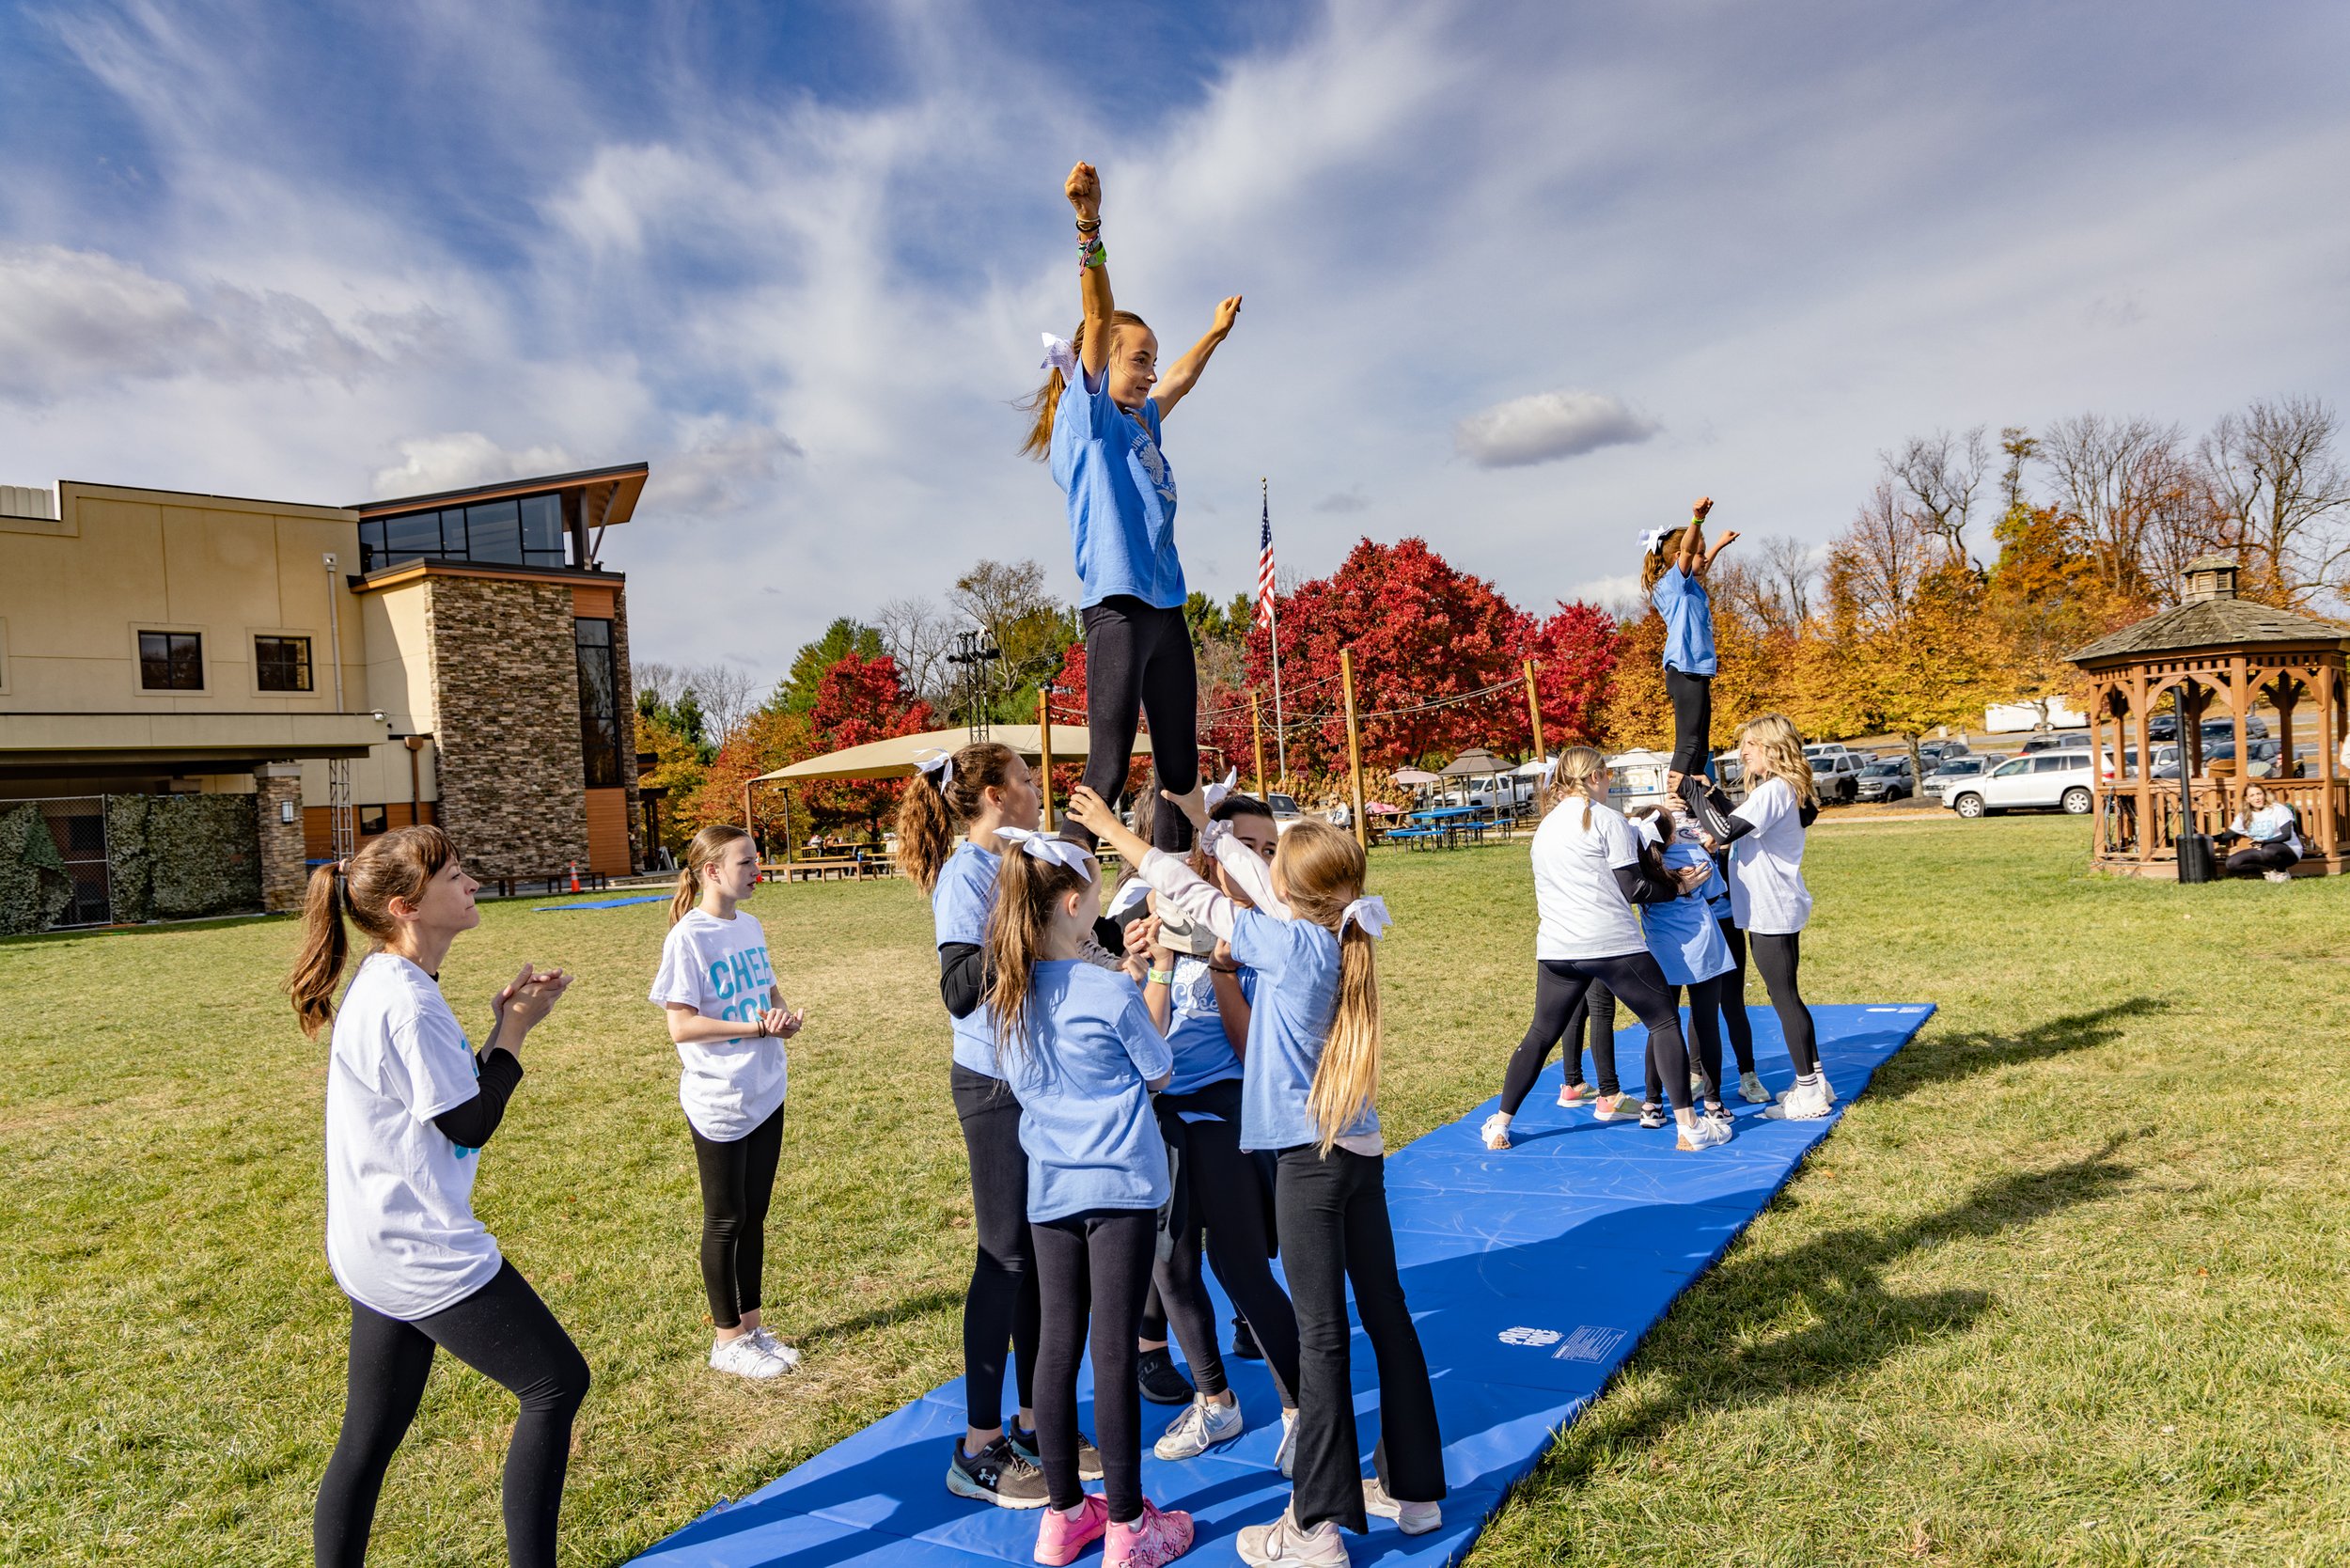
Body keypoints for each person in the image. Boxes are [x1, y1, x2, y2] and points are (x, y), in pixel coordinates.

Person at [1070, 785, 1445, 1568]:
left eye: (1275, 857)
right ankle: (1414, 1492)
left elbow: (1191, 893)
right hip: (1360, 1155)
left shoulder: (1288, 944)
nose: (1262, 862)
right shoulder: (1337, 932)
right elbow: (1245, 873)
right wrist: (1212, 826)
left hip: (1309, 1166)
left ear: (1288, 889)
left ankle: (1313, 1529)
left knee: (1321, 1338)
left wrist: (1113, 832)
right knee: (1387, 1313)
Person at [289, 826, 588, 1568]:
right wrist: (515, 1030)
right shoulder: (406, 1002)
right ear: (406, 906)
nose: (472, 883)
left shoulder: (391, 981)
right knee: (556, 1383)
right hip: (417, 1248)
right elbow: (470, 1120)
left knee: (370, 1432)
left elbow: (449, 1100)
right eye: (455, 876)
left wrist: (501, 1028)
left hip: (374, 1241)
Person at [983, 829, 1195, 1568]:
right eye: (1098, 897)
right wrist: (1148, 973)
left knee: (1055, 1346)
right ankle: (1129, 1527)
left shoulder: (1004, 997)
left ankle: (1064, 1514)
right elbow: (1161, 1070)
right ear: (1073, 904)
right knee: (1112, 1350)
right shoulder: (1106, 990)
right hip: (1120, 1186)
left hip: (1051, 1190)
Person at [1021, 159, 1240, 855]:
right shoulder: (1090, 422)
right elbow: (1095, 314)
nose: (1149, 371)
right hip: (1114, 607)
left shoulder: (1143, 421)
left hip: (1166, 608)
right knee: (1109, 769)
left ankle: (1169, 897)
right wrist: (1089, 224)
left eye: (1151, 360)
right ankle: (1052, 900)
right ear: (1100, 362)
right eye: (1137, 359)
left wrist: (1213, 335)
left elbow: (1179, 382)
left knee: (1181, 770)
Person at [893, 742, 1053, 1508]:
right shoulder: (968, 873)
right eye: (1025, 779)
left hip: (1035, 1080)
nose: (1035, 788)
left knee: (1035, 1258)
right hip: (992, 1085)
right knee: (1004, 1259)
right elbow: (959, 989)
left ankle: (1030, 1424)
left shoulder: (1018, 861)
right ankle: (978, 1447)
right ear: (994, 794)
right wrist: (1024, 927)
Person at [1130, 792, 1303, 1472]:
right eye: (1249, 847)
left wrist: (1226, 965)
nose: (1259, 861)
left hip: (1232, 1103)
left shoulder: (1272, 934)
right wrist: (1158, 961)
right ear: (1210, 850)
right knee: (1169, 1259)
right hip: (1163, 1107)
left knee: (1238, 1262)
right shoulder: (1166, 913)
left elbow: (1249, 1049)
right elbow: (1144, 1043)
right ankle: (1215, 1400)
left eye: (1269, 851)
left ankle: (1300, 1410)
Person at [1483, 748, 1730, 1155]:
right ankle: (1689, 1128)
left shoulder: (1544, 827)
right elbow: (1632, 888)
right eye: (1608, 776)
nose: (1611, 782)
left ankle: (1500, 1122)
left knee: (1541, 1034)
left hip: (1558, 949)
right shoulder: (1609, 820)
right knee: (1664, 1022)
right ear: (1594, 776)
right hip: (1611, 944)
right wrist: (1679, 888)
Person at [650, 823, 806, 1380]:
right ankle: (726, 1340)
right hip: (719, 1097)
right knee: (726, 1218)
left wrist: (782, 1018)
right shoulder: (688, 938)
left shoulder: (751, 925)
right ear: (712, 871)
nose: (756, 870)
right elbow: (680, 1025)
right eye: (746, 862)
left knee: (756, 1215)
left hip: (766, 1087)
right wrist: (753, 1028)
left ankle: (753, 1328)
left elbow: (768, 990)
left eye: (756, 860)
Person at [1695, 714, 1830, 1120]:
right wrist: (1713, 792)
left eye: (1750, 745)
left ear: (1772, 747)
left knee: (1784, 997)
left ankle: (1808, 1093)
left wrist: (1694, 794)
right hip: (1773, 905)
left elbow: (1724, 831)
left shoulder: (1775, 789)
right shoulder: (1777, 790)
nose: (1743, 752)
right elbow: (1742, 818)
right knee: (1786, 994)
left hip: (1774, 907)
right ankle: (1816, 1080)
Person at [1627, 806, 1736, 1130]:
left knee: (1660, 1027)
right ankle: (1714, 1102)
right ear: (1672, 833)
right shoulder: (1693, 852)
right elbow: (1715, 894)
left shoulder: (1639, 862)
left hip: (1661, 951)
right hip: (1703, 948)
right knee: (1707, 1024)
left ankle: (1651, 1102)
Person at [1639, 498, 1740, 838]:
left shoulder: (1689, 583)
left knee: (1701, 743)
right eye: (1699, 553)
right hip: (1684, 669)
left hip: (1696, 671)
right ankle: (1673, 806)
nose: (1703, 558)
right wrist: (1697, 520)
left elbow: (1699, 561)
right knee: (1688, 741)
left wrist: (1719, 545)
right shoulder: (1674, 582)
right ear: (1679, 559)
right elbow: (1687, 554)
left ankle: (1696, 806)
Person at [2223, 782, 2302, 881]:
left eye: (2259, 794)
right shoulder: (2244, 815)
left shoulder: (2278, 809)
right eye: (2252, 795)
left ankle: (2282, 872)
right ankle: (2268, 870)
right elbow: (2227, 836)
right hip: (2262, 850)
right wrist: (2205, 837)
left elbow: (2286, 835)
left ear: (2264, 795)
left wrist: (2264, 842)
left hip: (2288, 850)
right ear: (2247, 799)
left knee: (2269, 850)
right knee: (2232, 863)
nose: (2257, 798)